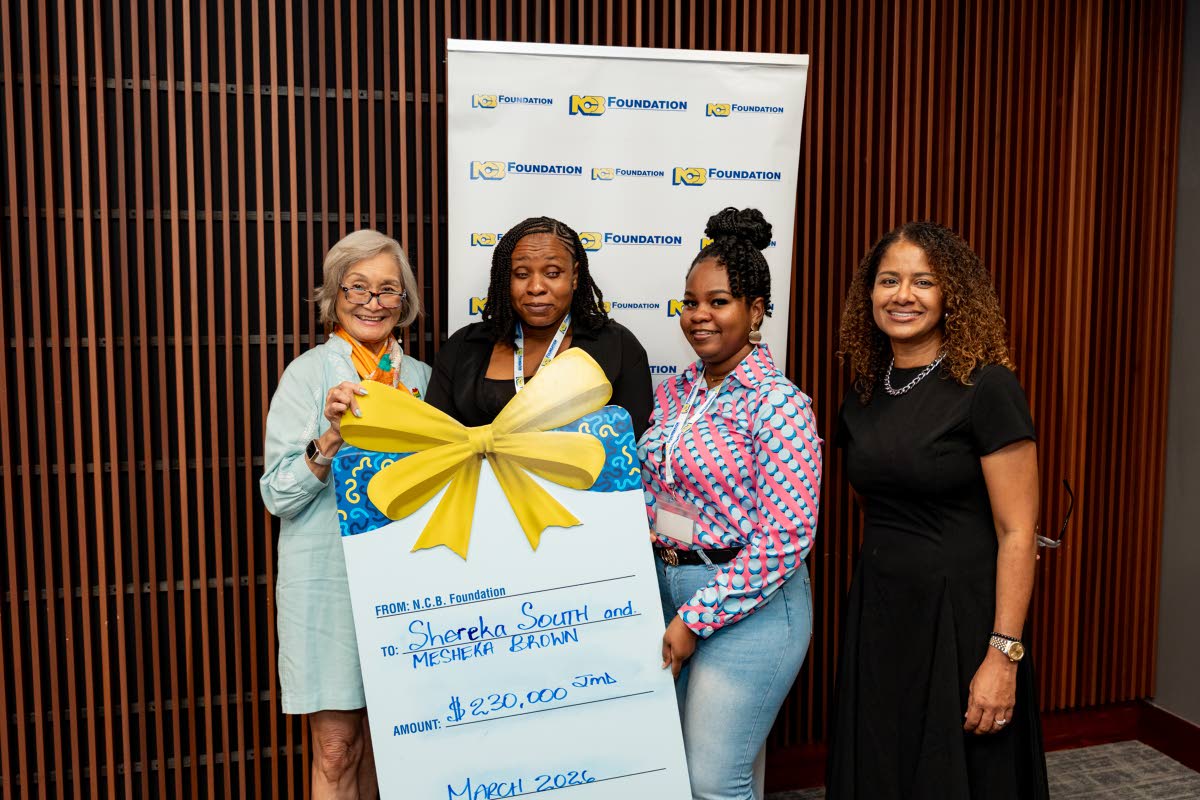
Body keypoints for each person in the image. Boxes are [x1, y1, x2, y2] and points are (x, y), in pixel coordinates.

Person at [825, 221, 1049, 799]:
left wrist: (1003, 656)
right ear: (869, 293)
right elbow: (875, 501)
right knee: (883, 767)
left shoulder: (987, 388)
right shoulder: (864, 390)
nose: (903, 295)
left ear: (952, 294)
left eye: (923, 281)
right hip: (880, 614)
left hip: (962, 623)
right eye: (889, 281)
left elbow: (1018, 531)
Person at [637, 207, 822, 800]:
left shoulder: (778, 404)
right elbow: (657, 494)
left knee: (715, 782)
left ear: (756, 310)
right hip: (668, 591)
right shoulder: (675, 392)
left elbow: (787, 538)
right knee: (668, 772)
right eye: (691, 302)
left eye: (718, 302)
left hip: (749, 605)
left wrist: (695, 618)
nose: (699, 315)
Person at [260, 229, 431, 799]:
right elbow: (277, 496)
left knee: (397, 744)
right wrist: (331, 436)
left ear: (404, 301)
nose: (372, 302)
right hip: (327, 583)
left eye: (387, 289)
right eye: (357, 287)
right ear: (334, 296)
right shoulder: (307, 375)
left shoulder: (423, 380)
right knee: (336, 749)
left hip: (407, 578)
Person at [426, 216, 652, 435]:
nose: (536, 287)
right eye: (521, 274)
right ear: (505, 279)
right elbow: (435, 438)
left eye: (552, 273)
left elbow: (631, 440)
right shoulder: (464, 346)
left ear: (574, 276)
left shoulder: (616, 346)